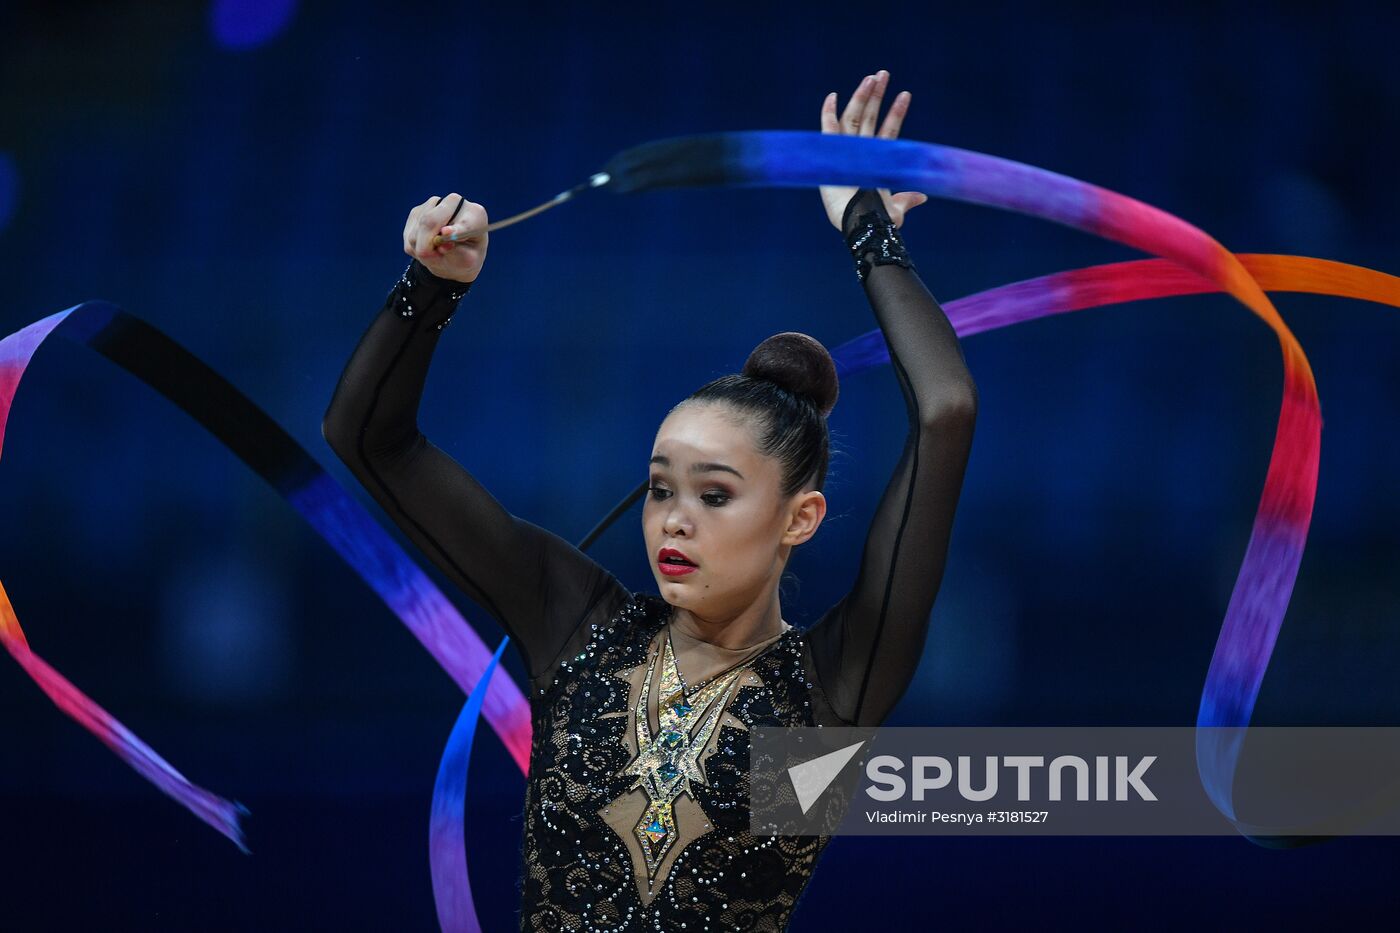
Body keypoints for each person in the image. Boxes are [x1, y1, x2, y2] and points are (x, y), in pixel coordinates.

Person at [322, 69, 977, 932]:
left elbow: (945, 408)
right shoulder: (575, 624)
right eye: (662, 486)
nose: (674, 516)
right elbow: (368, 439)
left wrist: (864, 224)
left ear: (800, 518)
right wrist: (431, 285)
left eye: (715, 494)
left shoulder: (832, 689)